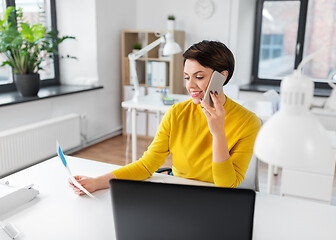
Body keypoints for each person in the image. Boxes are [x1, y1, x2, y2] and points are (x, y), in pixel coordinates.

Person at [69, 40, 261, 195]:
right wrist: (96, 182)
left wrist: (218, 132)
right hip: (178, 192)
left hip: (215, 199)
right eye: (187, 77)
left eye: (199, 77)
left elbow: (225, 186)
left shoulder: (248, 122)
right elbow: (146, 165)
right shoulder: (177, 113)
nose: (190, 85)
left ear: (222, 77)